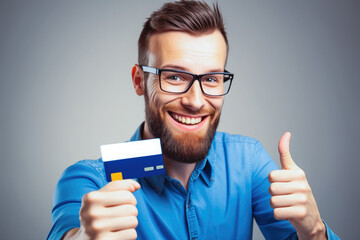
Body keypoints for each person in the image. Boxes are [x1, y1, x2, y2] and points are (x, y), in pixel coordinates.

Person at [47, 1, 339, 239]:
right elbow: (68, 232)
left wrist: (314, 231)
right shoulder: (92, 179)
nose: (195, 101)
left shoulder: (246, 160)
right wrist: (82, 238)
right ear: (139, 81)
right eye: (174, 77)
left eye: (211, 79)